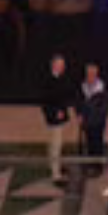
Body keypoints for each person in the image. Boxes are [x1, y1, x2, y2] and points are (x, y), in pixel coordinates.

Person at [41, 53, 75, 183]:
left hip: (58, 115)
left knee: (53, 143)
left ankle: (54, 165)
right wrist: (56, 112)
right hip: (54, 117)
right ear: (54, 66)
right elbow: (46, 101)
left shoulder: (60, 78)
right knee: (56, 144)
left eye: (63, 65)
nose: (63, 67)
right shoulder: (49, 80)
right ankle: (56, 174)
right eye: (60, 65)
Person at [77, 61, 108, 166]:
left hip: (98, 121)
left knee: (97, 143)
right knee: (89, 142)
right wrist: (79, 114)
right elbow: (77, 102)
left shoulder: (102, 87)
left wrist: (99, 117)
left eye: (93, 73)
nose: (91, 75)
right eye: (88, 73)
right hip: (86, 120)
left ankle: (98, 166)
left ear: (96, 74)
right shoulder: (82, 86)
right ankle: (90, 164)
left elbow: (105, 107)